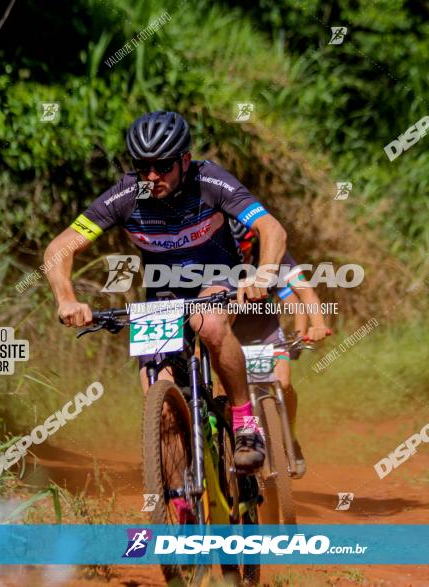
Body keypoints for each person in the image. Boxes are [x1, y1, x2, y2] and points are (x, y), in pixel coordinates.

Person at [43, 111, 288, 484]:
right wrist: (66, 298)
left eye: (163, 167)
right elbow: (60, 247)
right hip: (164, 291)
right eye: (143, 167)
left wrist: (264, 275)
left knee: (208, 324)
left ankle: (244, 419)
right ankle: (180, 510)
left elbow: (271, 228)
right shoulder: (128, 195)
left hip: (216, 279)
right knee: (163, 415)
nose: (152, 177)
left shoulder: (210, 180)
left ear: (184, 161)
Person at [227, 218, 331, 477]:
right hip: (230, 341)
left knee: (283, 384)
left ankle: (290, 438)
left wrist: (311, 328)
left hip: (268, 335)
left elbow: (302, 296)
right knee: (225, 395)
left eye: (247, 246)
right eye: (236, 248)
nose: (243, 254)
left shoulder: (274, 255)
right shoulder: (216, 260)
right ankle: (233, 448)